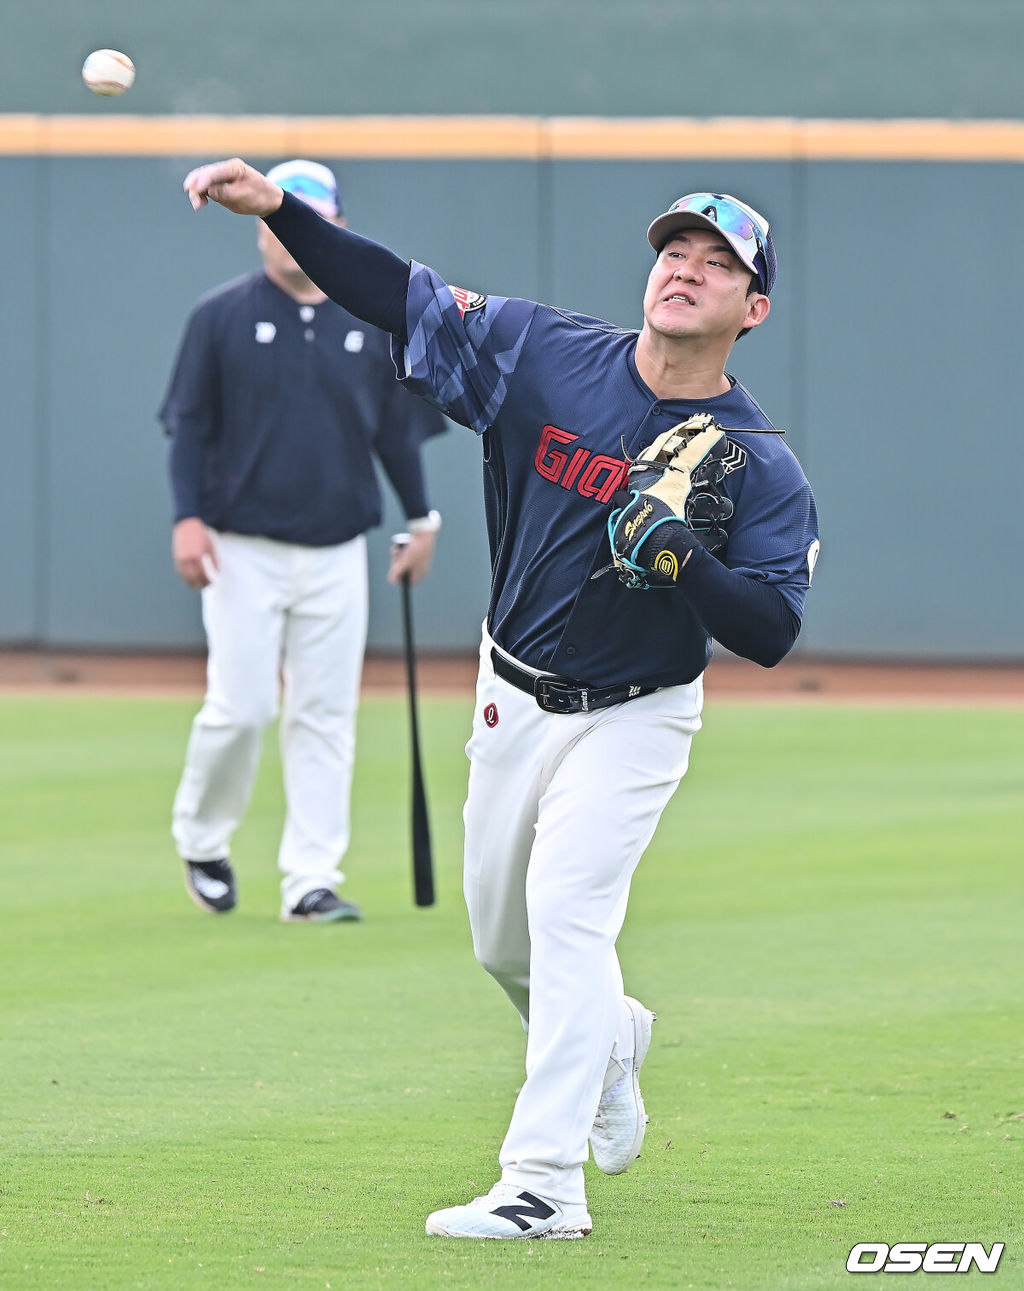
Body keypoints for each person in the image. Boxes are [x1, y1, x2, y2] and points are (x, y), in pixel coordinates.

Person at [181, 160, 820, 1236]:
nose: (686, 272)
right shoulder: (546, 353)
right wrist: (282, 211)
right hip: (509, 691)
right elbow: (400, 294)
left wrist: (687, 563)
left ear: (752, 310)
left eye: (719, 266)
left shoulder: (758, 462)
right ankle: (612, 1041)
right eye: (675, 251)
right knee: (503, 946)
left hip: (635, 712)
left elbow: (770, 630)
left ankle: (542, 1184)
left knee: (567, 914)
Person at [161, 159, 446, 925]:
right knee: (243, 706)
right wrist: (186, 518)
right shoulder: (218, 316)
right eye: (280, 221)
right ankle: (202, 838)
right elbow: (188, 427)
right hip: (240, 546)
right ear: (260, 230)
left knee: (325, 714)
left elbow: (395, 436)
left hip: (336, 551)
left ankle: (311, 879)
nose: (292, 237)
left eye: (314, 219)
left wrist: (421, 521)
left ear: (336, 229)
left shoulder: (370, 320)